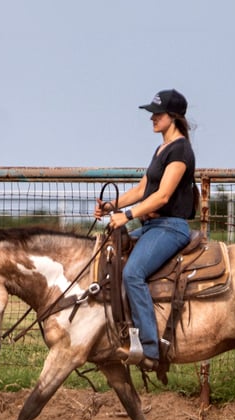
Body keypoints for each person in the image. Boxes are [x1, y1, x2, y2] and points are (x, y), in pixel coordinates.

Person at [94, 89, 197, 370]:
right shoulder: (161, 149)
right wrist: (111, 206)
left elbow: (162, 196)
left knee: (133, 272)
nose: (152, 118)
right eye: (152, 113)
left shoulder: (181, 151)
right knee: (109, 254)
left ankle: (150, 349)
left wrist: (126, 216)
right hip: (151, 225)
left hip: (170, 227)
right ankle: (120, 329)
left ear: (173, 117)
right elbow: (142, 189)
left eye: (157, 113)